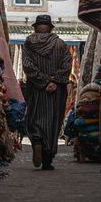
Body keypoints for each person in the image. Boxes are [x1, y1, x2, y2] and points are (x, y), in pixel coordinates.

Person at [22, 14, 72, 170]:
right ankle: (47, 160)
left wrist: (43, 82)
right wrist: (54, 81)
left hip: (37, 89)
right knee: (53, 121)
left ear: (36, 28)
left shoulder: (29, 43)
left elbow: (27, 65)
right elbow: (67, 65)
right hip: (56, 91)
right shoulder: (61, 44)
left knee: (35, 117)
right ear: (50, 28)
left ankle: (37, 141)